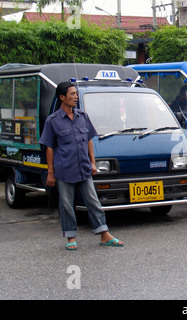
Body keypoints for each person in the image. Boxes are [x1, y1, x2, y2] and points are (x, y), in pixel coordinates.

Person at [39, 81, 124, 251]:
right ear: (62, 97)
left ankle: (104, 234)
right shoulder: (53, 121)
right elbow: (49, 147)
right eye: (72, 94)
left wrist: (92, 162)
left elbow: (89, 141)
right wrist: (50, 172)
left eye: (76, 94)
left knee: (93, 202)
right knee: (66, 205)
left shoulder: (83, 117)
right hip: (64, 170)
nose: (75, 97)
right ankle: (71, 237)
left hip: (84, 168)